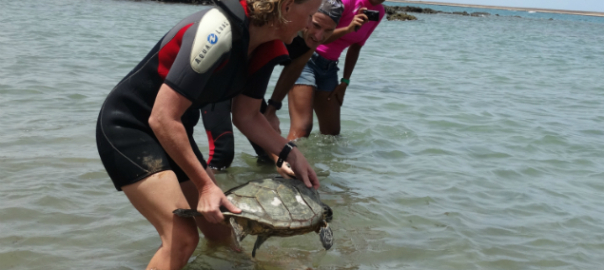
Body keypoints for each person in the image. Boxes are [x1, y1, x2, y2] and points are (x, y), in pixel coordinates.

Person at [95, 0, 321, 268]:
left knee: (221, 230)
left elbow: (247, 115)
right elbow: (162, 117)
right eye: (309, 15)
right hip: (129, 126)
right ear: (285, 8)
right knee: (181, 238)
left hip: (174, 128)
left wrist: (290, 152)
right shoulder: (217, 30)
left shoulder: (266, 45)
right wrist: (205, 186)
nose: (310, 26)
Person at [201, 0, 344, 177]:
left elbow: (292, 70)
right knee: (222, 154)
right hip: (219, 82)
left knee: (270, 155)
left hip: (246, 86)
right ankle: (210, 194)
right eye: (314, 24)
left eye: (328, 31)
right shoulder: (275, 30)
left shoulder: (307, 39)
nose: (319, 36)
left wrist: (271, 110)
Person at [286, 0, 385, 140]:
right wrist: (348, 29)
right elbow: (317, 37)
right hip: (307, 59)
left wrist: (345, 81)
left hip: (329, 69)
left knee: (332, 135)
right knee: (302, 129)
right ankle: (283, 159)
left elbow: (356, 47)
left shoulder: (379, 12)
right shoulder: (347, 2)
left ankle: (314, 162)